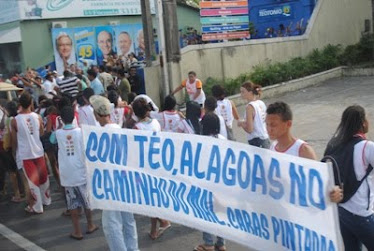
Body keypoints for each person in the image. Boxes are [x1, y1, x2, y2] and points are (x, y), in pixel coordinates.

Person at [90, 95, 139, 251]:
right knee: (128, 220)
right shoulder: (121, 129)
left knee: (111, 223)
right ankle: (133, 248)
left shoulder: (99, 135)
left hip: (110, 183)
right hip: (126, 180)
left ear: (97, 115)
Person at [324, 105, 374, 250]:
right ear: (363, 122)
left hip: (341, 211)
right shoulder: (366, 147)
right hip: (362, 215)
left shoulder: (333, 144)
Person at [265, 101, 342, 194]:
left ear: (288, 124)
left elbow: (320, 183)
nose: (269, 129)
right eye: (267, 124)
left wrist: (334, 193)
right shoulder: (273, 147)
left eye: (273, 125)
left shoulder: (303, 151)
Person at [50, 106, 98, 240]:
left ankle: (77, 231)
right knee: (86, 201)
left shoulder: (57, 133)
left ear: (62, 119)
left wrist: (59, 126)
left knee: (72, 204)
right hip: (80, 171)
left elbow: (51, 141)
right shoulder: (81, 132)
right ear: (74, 117)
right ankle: (90, 225)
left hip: (67, 173)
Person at [132, 98, 171, 240]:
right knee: (152, 198)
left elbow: (135, 151)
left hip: (145, 166)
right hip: (157, 163)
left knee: (149, 200)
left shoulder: (137, 128)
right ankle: (156, 227)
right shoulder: (155, 123)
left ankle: (161, 223)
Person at [11, 92, 51, 214]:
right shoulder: (37, 117)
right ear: (31, 103)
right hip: (38, 150)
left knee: (31, 181)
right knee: (43, 178)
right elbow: (42, 133)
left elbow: (14, 140)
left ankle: (36, 206)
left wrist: (14, 152)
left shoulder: (15, 120)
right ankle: (46, 200)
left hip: (25, 153)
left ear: (20, 104)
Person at [194, 112, 226, 251]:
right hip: (222, 183)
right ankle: (221, 242)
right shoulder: (223, 139)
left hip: (207, 184)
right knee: (220, 213)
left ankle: (208, 243)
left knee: (205, 213)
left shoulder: (201, 142)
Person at [238, 81, 270, 148]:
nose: (241, 94)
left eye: (243, 92)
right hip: (265, 137)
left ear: (250, 92)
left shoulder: (249, 107)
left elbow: (250, 129)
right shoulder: (261, 103)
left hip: (256, 140)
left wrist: (241, 123)